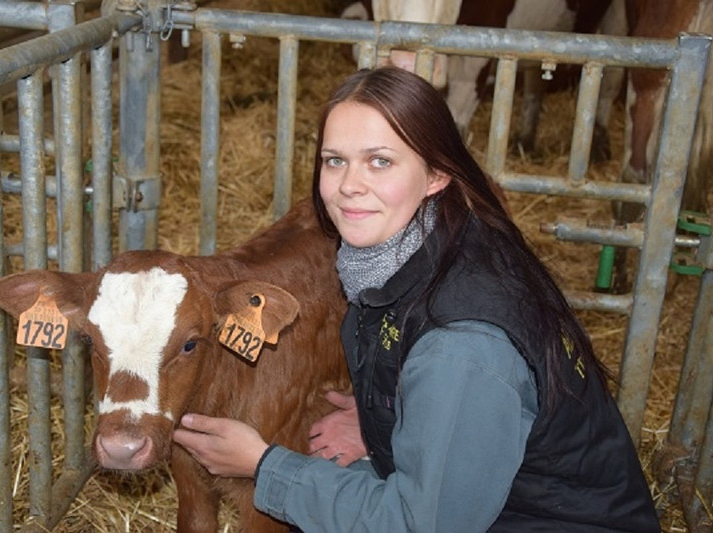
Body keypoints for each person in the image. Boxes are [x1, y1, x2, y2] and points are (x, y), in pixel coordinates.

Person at [173, 66, 660, 532]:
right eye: (335, 160)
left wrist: (264, 466)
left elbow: (419, 525)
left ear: (436, 174)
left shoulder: (460, 346)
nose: (349, 185)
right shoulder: (442, 243)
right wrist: (387, 423)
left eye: (380, 161)